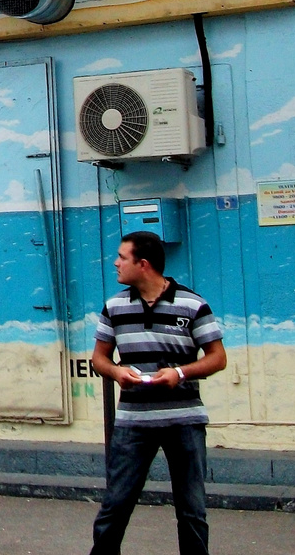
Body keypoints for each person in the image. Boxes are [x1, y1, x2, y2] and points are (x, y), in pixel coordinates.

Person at [89, 230, 227, 555]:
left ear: (144, 264)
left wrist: (179, 373)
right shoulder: (114, 307)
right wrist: (116, 372)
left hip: (185, 421)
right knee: (115, 505)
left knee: (192, 509)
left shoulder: (193, 304)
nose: (115, 263)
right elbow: (99, 358)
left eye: (122, 258)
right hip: (132, 423)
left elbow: (218, 358)